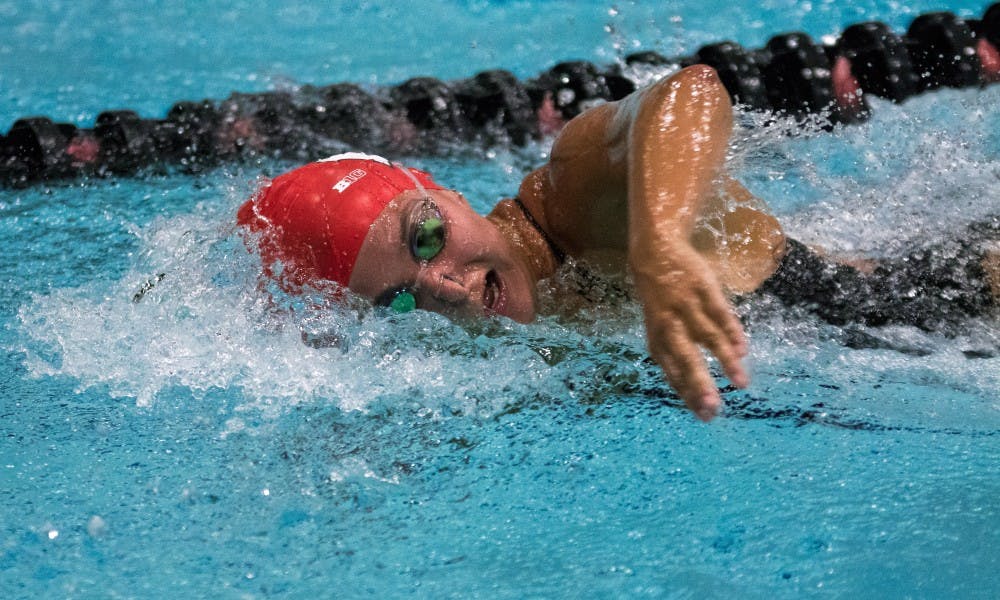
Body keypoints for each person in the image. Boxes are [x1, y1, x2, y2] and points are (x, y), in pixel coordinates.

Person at [237, 65, 999, 422]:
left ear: (450, 194)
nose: (441, 287)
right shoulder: (479, 350)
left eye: (427, 237)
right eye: (400, 296)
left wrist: (659, 242)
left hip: (936, 305)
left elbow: (689, 92)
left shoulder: (571, 194)